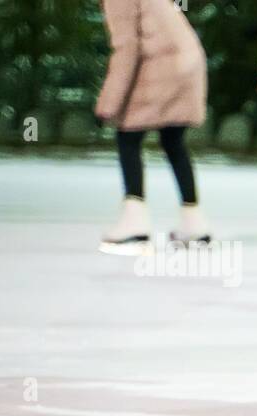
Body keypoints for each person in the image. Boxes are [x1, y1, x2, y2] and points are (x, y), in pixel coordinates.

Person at [96, 0, 210, 254]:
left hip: (163, 68)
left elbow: (127, 48)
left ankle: (135, 222)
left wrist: (107, 104)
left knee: (128, 137)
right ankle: (194, 223)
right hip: (187, 62)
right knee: (173, 141)